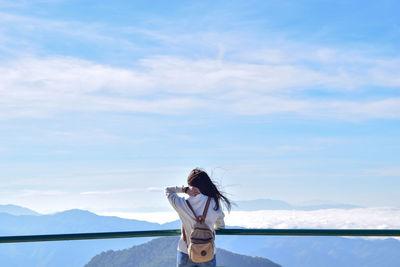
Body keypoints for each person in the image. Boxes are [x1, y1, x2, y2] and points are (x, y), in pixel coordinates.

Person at [165, 168, 232, 267]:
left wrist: (184, 190)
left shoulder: (182, 203)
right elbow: (221, 226)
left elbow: (168, 190)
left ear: (190, 185)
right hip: (207, 252)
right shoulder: (214, 202)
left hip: (186, 252)